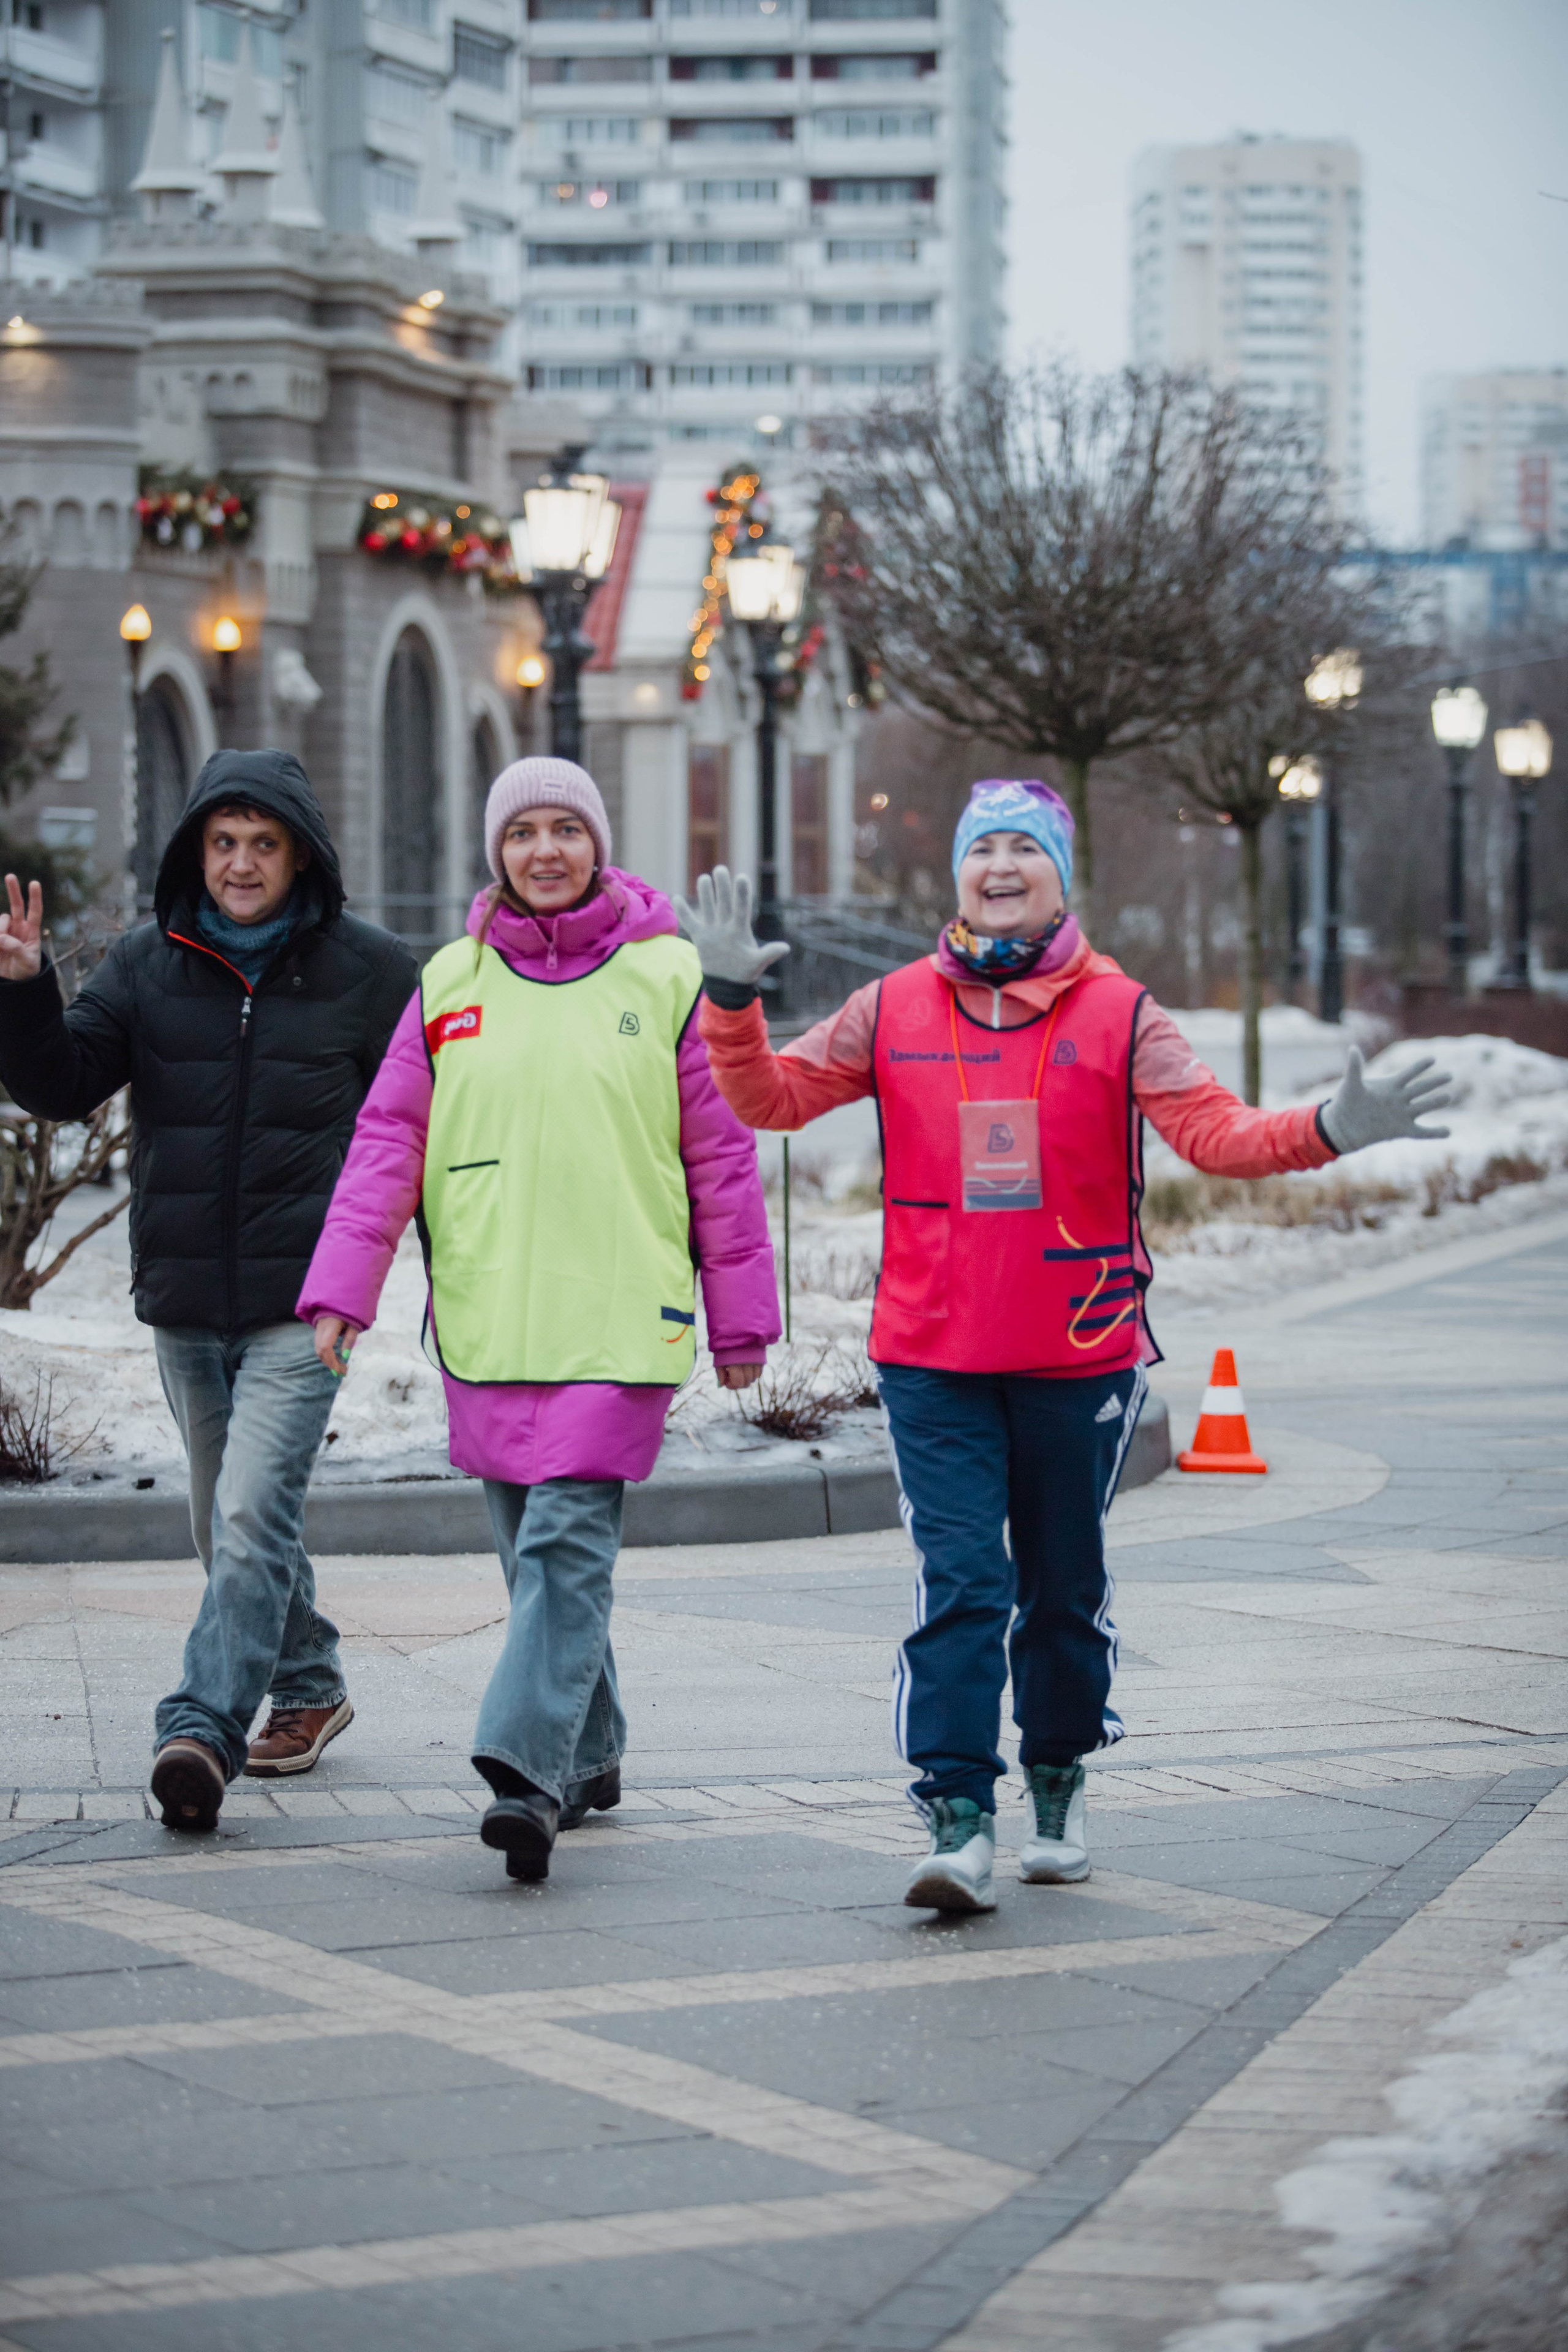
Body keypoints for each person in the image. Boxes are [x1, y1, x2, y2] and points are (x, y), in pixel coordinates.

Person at [678, 778, 1455, 1914]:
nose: (1000, 866)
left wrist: (1327, 1129)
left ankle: (1056, 1779)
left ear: (1059, 874)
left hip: (1079, 1356)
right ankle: (956, 1811)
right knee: (963, 1584)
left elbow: (1217, 1133)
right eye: (980, 847)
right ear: (958, 876)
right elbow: (772, 1099)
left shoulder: (1122, 1012)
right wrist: (730, 999)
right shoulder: (891, 1007)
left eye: (1023, 850)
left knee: (1062, 1588)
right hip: (933, 1358)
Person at [299, 756, 778, 1884]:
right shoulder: (450, 983)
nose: (546, 852)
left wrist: (741, 1317)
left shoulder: (668, 976)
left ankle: (527, 1769)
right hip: (491, 1310)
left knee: (565, 1541)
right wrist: (342, 1288)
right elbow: (386, 1149)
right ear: (498, 852)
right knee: (532, 1554)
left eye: (568, 829)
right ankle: (595, 1746)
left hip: (621, 1314)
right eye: (525, 834)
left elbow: (720, 1157)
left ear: (599, 845)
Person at [0, 750, 417, 1833]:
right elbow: (60, 1085)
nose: (241, 865)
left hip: (307, 1303)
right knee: (222, 1524)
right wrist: (22, 990)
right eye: (224, 844)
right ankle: (313, 1683)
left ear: (301, 857)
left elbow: (416, 1130)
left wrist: (425, 1272)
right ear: (197, 851)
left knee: (247, 1511)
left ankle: (200, 1729)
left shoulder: (371, 972)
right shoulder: (147, 965)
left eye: (263, 845)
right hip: (186, 1298)